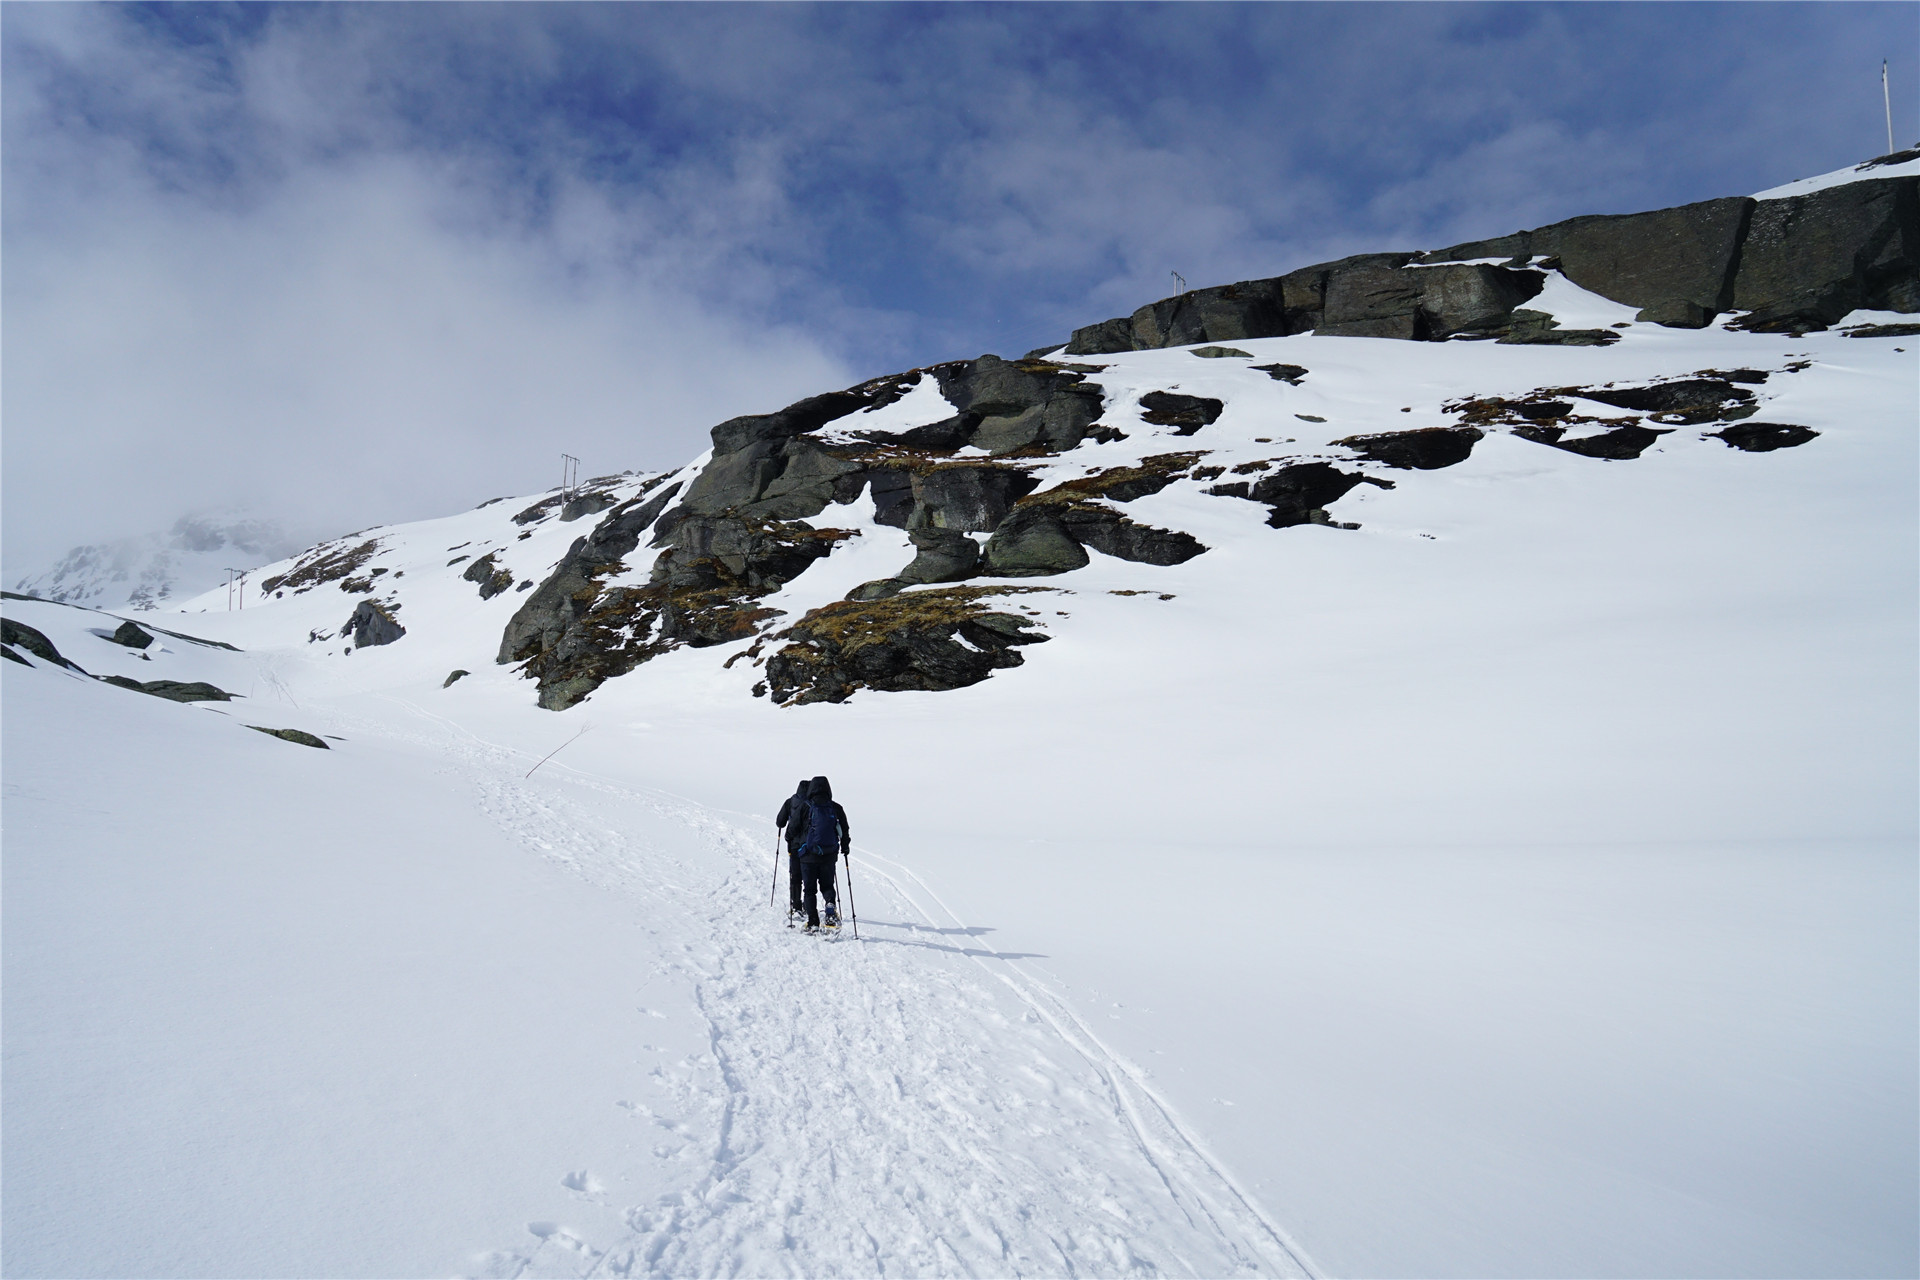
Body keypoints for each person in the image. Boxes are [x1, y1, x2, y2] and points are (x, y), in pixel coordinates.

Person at [794, 775, 851, 931]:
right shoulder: (835, 807)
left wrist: (794, 845)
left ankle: (813, 922)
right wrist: (845, 846)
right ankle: (830, 907)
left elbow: (793, 828)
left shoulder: (805, 806)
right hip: (829, 854)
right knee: (827, 885)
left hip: (808, 856)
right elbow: (844, 829)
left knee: (809, 890)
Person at [774, 779, 810, 922]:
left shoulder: (790, 802)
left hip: (793, 845)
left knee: (795, 876)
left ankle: (796, 906)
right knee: (809, 877)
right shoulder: (813, 803)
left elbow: (780, 822)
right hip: (809, 846)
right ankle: (808, 906)